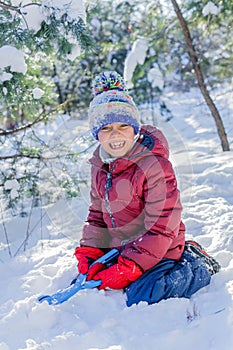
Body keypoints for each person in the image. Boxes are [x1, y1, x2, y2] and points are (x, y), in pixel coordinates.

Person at [74, 71, 220, 306]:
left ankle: (196, 264)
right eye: (106, 128)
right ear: (97, 134)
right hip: (124, 246)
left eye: (123, 125)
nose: (116, 134)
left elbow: (163, 225)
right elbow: (97, 214)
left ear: (134, 129)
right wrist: (90, 250)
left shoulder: (153, 165)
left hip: (160, 245)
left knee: (144, 293)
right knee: (89, 276)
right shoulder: (100, 166)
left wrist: (131, 267)